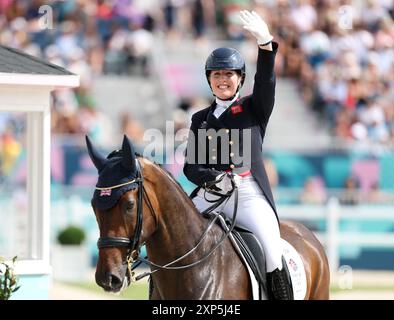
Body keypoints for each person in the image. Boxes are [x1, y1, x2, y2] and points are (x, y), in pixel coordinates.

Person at [183, 10, 293, 300]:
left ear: (239, 79)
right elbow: (191, 166)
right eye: (217, 74)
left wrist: (265, 45)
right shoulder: (199, 119)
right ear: (209, 79)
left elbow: (267, 81)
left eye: (229, 74)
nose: (223, 79)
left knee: (271, 250)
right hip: (212, 193)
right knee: (174, 233)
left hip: (247, 194)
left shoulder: (254, 108)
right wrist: (213, 177)